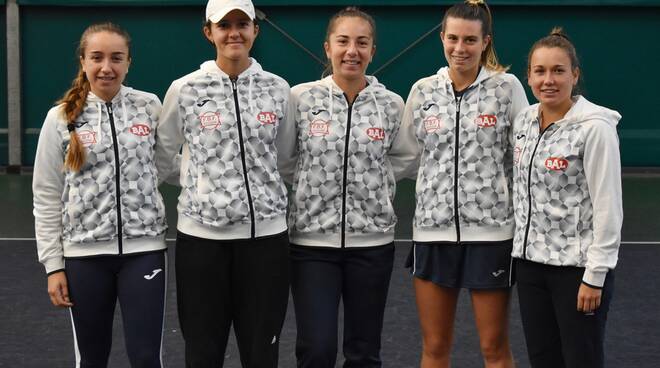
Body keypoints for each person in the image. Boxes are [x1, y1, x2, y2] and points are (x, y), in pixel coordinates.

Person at [390, 0, 529, 366]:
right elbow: (405, 157)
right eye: (452, 38)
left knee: (493, 349)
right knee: (434, 348)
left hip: (491, 237)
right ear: (441, 38)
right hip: (432, 235)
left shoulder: (507, 87)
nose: (459, 48)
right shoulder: (422, 91)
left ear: (485, 42)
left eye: (470, 40)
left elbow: (523, 156)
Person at [153, 0, 290, 366]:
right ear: (208, 32)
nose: (234, 32)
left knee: (262, 351)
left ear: (255, 32)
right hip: (201, 244)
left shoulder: (278, 89)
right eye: (224, 24)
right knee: (203, 351)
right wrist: (198, 188)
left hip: (266, 241)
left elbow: (286, 155)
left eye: (242, 24)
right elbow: (162, 157)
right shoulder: (184, 89)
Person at [32, 22, 168, 367]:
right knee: (91, 358)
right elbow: (46, 194)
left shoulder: (149, 106)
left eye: (116, 58)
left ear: (128, 63)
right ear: (83, 61)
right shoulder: (61, 117)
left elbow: (169, 165)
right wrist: (53, 266)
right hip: (83, 258)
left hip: (144, 252)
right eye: (97, 57)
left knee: (146, 357)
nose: (106, 67)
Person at [276, 7, 406, 368]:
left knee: (364, 352)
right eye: (343, 42)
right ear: (327, 47)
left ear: (372, 51)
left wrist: (372, 181)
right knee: (316, 348)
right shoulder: (300, 99)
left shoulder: (392, 105)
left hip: (373, 245)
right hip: (311, 245)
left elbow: (404, 156)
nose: (353, 51)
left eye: (362, 43)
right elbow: (286, 157)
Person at [512, 27, 622, 368]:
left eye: (559, 71)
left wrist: (595, 275)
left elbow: (608, 208)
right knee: (543, 359)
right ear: (528, 76)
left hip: (577, 272)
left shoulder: (595, 128)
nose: (549, 80)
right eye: (540, 71)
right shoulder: (524, 121)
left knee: (581, 359)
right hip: (530, 267)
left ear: (575, 75)